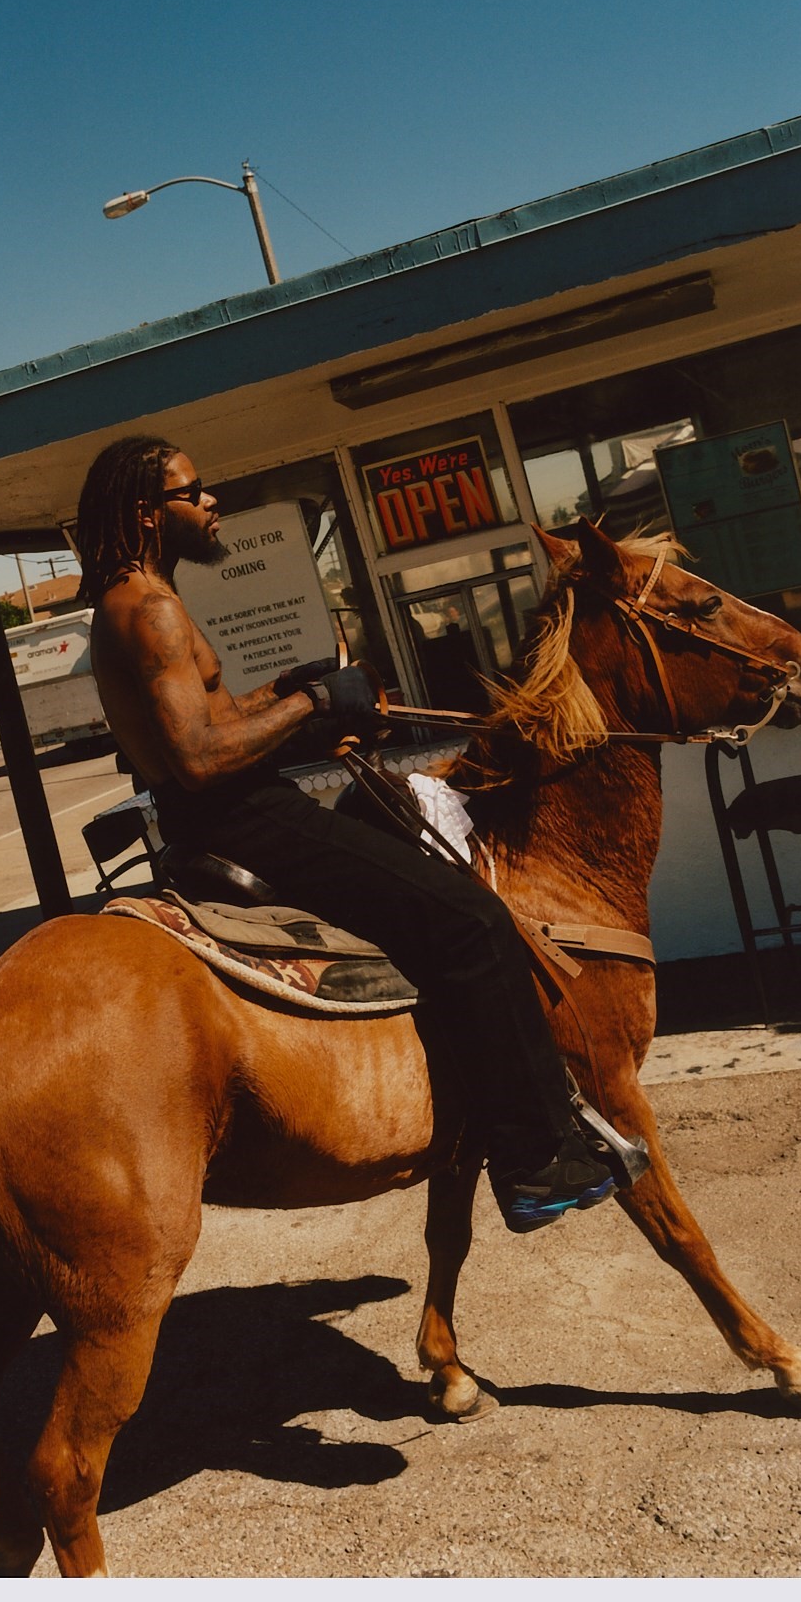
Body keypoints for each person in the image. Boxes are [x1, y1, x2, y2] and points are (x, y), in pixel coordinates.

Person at [78, 434, 647, 1233]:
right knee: (470, 919)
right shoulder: (152, 610)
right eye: (193, 492)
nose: (213, 504)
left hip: (236, 804)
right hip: (243, 816)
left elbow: (217, 721)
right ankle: (532, 1161)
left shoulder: (133, 605)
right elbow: (202, 761)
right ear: (147, 512)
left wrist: (297, 691)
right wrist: (318, 708)